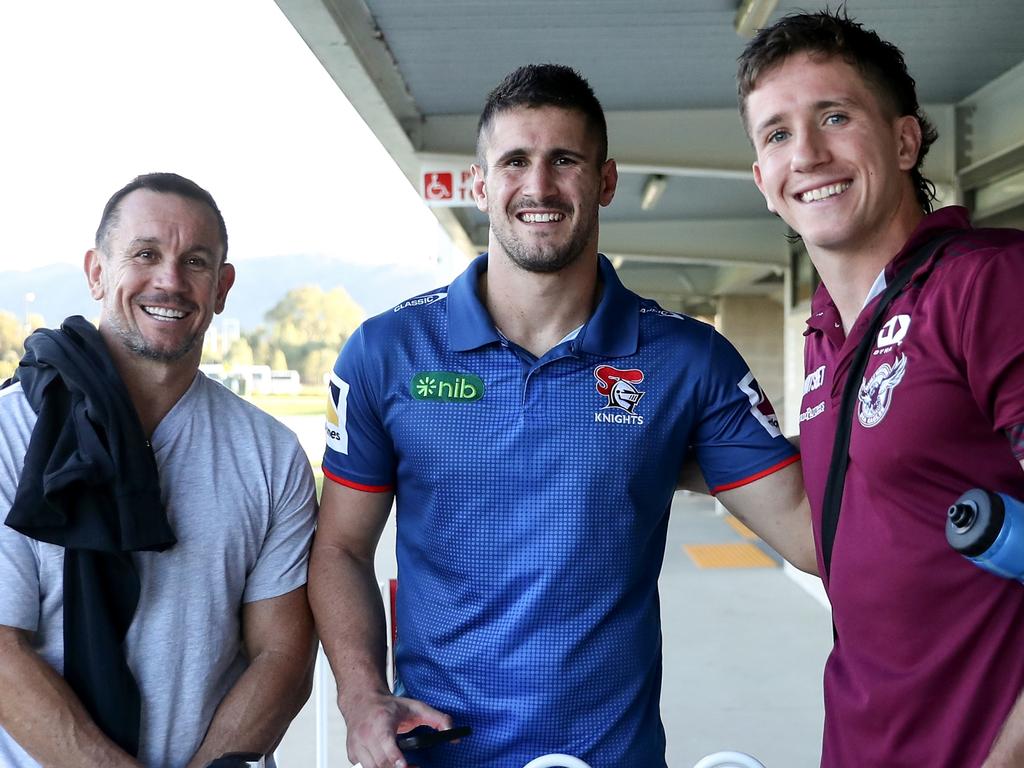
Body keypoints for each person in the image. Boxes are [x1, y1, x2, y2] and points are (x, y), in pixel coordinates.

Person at [312, 64, 813, 768]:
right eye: (515, 160)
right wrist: (361, 697)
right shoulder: (388, 353)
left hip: (612, 755)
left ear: (605, 181)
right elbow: (338, 548)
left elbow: (809, 530)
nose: (539, 186)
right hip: (437, 754)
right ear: (480, 183)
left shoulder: (688, 360)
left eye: (565, 160)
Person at [739, 10, 1024, 767]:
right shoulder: (827, 336)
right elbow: (839, 535)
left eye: (835, 116)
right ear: (762, 181)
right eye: (776, 134)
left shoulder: (989, 285)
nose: (807, 153)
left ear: (904, 140)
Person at [0, 173, 318, 768]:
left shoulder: (271, 454)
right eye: (145, 254)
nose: (169, 281)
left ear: (222, 287)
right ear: (96, 272)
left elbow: (283, 653)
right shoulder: (9, 434)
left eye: (195, 261)